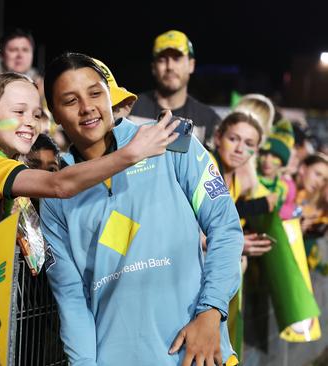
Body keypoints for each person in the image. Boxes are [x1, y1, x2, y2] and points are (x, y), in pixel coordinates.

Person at [40, 52, 243, 366]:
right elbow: (71, 296)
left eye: (95, 93)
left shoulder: (170, 139)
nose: (87, 108)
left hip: (196, 351)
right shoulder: (55, 194)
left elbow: (225, 229)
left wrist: (211, 312)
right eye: (70, 100)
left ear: (110, 93)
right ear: (54, 113)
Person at [0, 71, 180, 234]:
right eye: (18, 112)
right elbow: (58, 185)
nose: (29, 122)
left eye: (36, 115)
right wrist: (132, 153)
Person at [131, 30, 220, 145]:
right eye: (162, 60)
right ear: (153, 68)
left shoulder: (208, 120)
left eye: (177, 59)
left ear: (191, 65)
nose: (170, 67)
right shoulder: (131, 109)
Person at [258, 119, 297, 219]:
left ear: (282, 161)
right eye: (264, 154)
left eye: (275, 156)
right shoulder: (251, 180)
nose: (267, 160)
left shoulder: (282, 188)